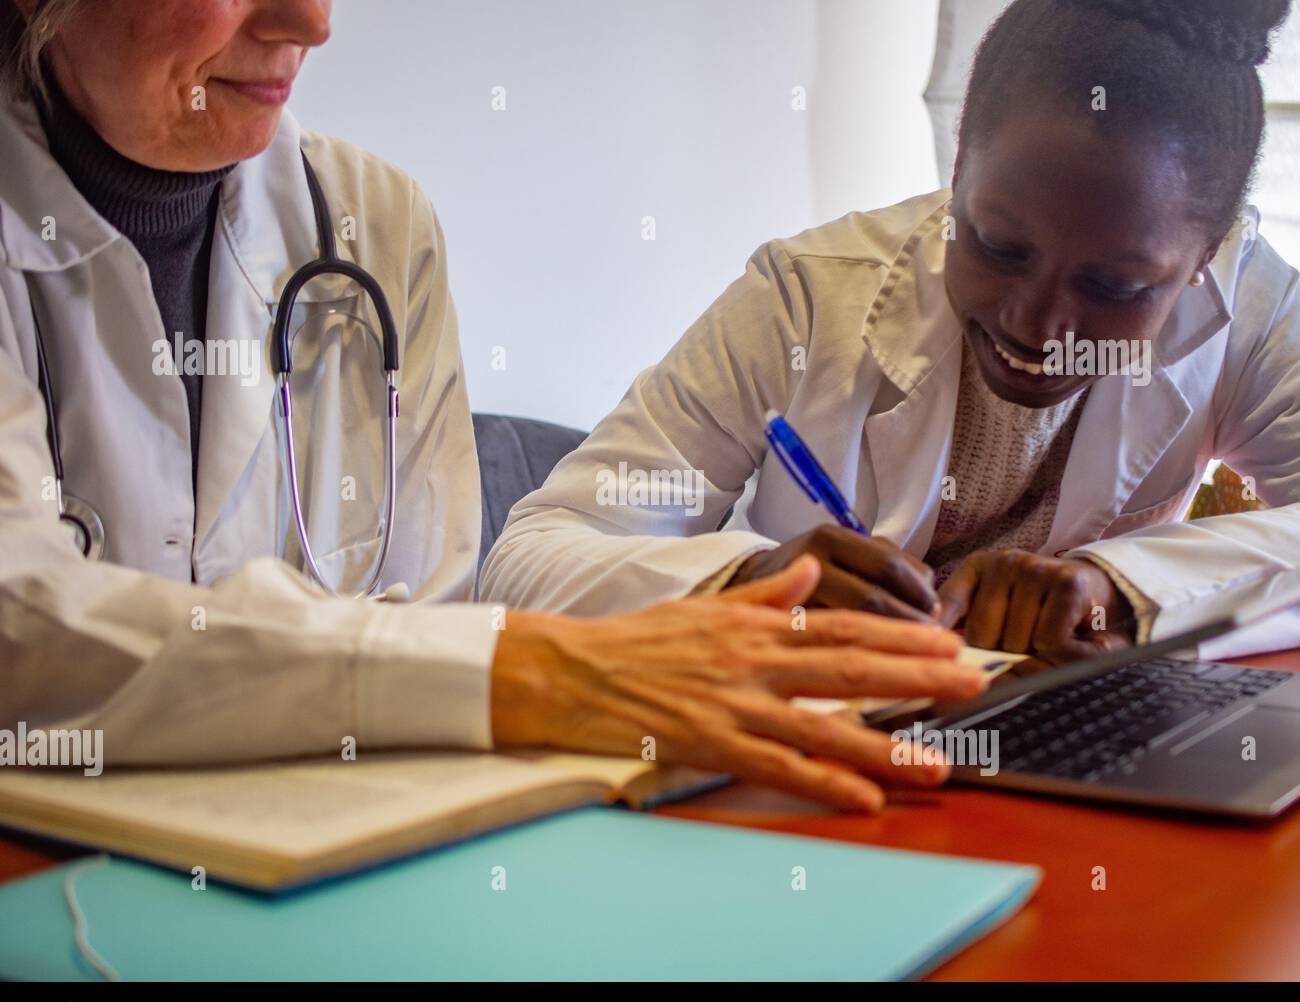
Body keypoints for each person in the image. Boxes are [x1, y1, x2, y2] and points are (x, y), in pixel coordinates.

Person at [0, 0, 986, 813]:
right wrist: (527, 671)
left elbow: (427, 607)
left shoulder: (372, 226)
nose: (311, 20)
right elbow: (22, 632)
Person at [482, 0, 1300, 663]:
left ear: (1206, 255)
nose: (1035, 324)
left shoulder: (1254, 313)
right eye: (997, 247)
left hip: (1066, 763)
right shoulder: (806, 297)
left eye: (1115, 286)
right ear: (955, 176)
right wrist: (750, 579)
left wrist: (1123, 585)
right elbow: (531, 559)